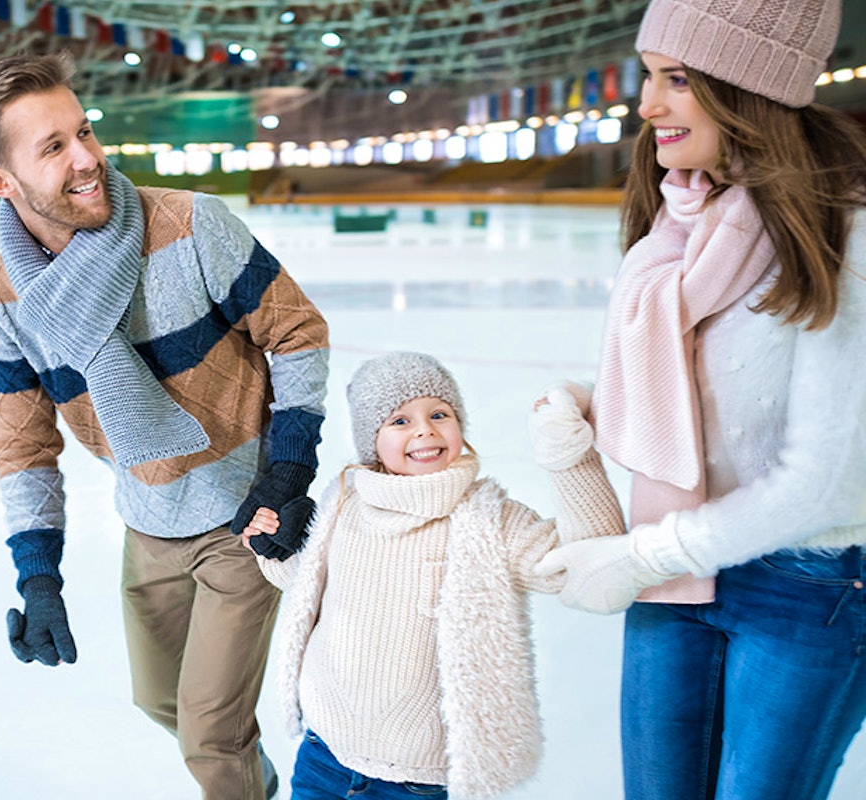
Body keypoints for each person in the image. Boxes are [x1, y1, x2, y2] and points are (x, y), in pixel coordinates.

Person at [0, 52, 330, 800]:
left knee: (209, 734)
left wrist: (287, 471)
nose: (88, 158)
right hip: (148, 521)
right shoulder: (5, 298)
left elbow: (296, 333)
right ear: (1, 182)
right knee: (160, 702)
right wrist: (39, 575)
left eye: (85, 131)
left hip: (243, 515)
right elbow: (23, 443)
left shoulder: (189, 226)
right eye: (53, 147)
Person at [533, 1, 866, 797]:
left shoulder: (842, 234)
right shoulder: (683, 222)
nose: (647, 107)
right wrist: (595, 402)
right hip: (677, 578)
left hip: (806, 586)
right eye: (651, 78)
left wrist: (644, 555)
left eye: (675, 80)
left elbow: (828, 480)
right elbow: (700, 397)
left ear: (745, 90)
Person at [241, 352, 625, 800]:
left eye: (439, 414)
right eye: (400, 420)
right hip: (323, 755)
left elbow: (591, 563)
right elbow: (315, 589)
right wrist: (272, 548)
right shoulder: (345, 502)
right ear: (372, 440)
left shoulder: (489, 520)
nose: (424, 429)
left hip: (417, 780)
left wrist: (569, 456)